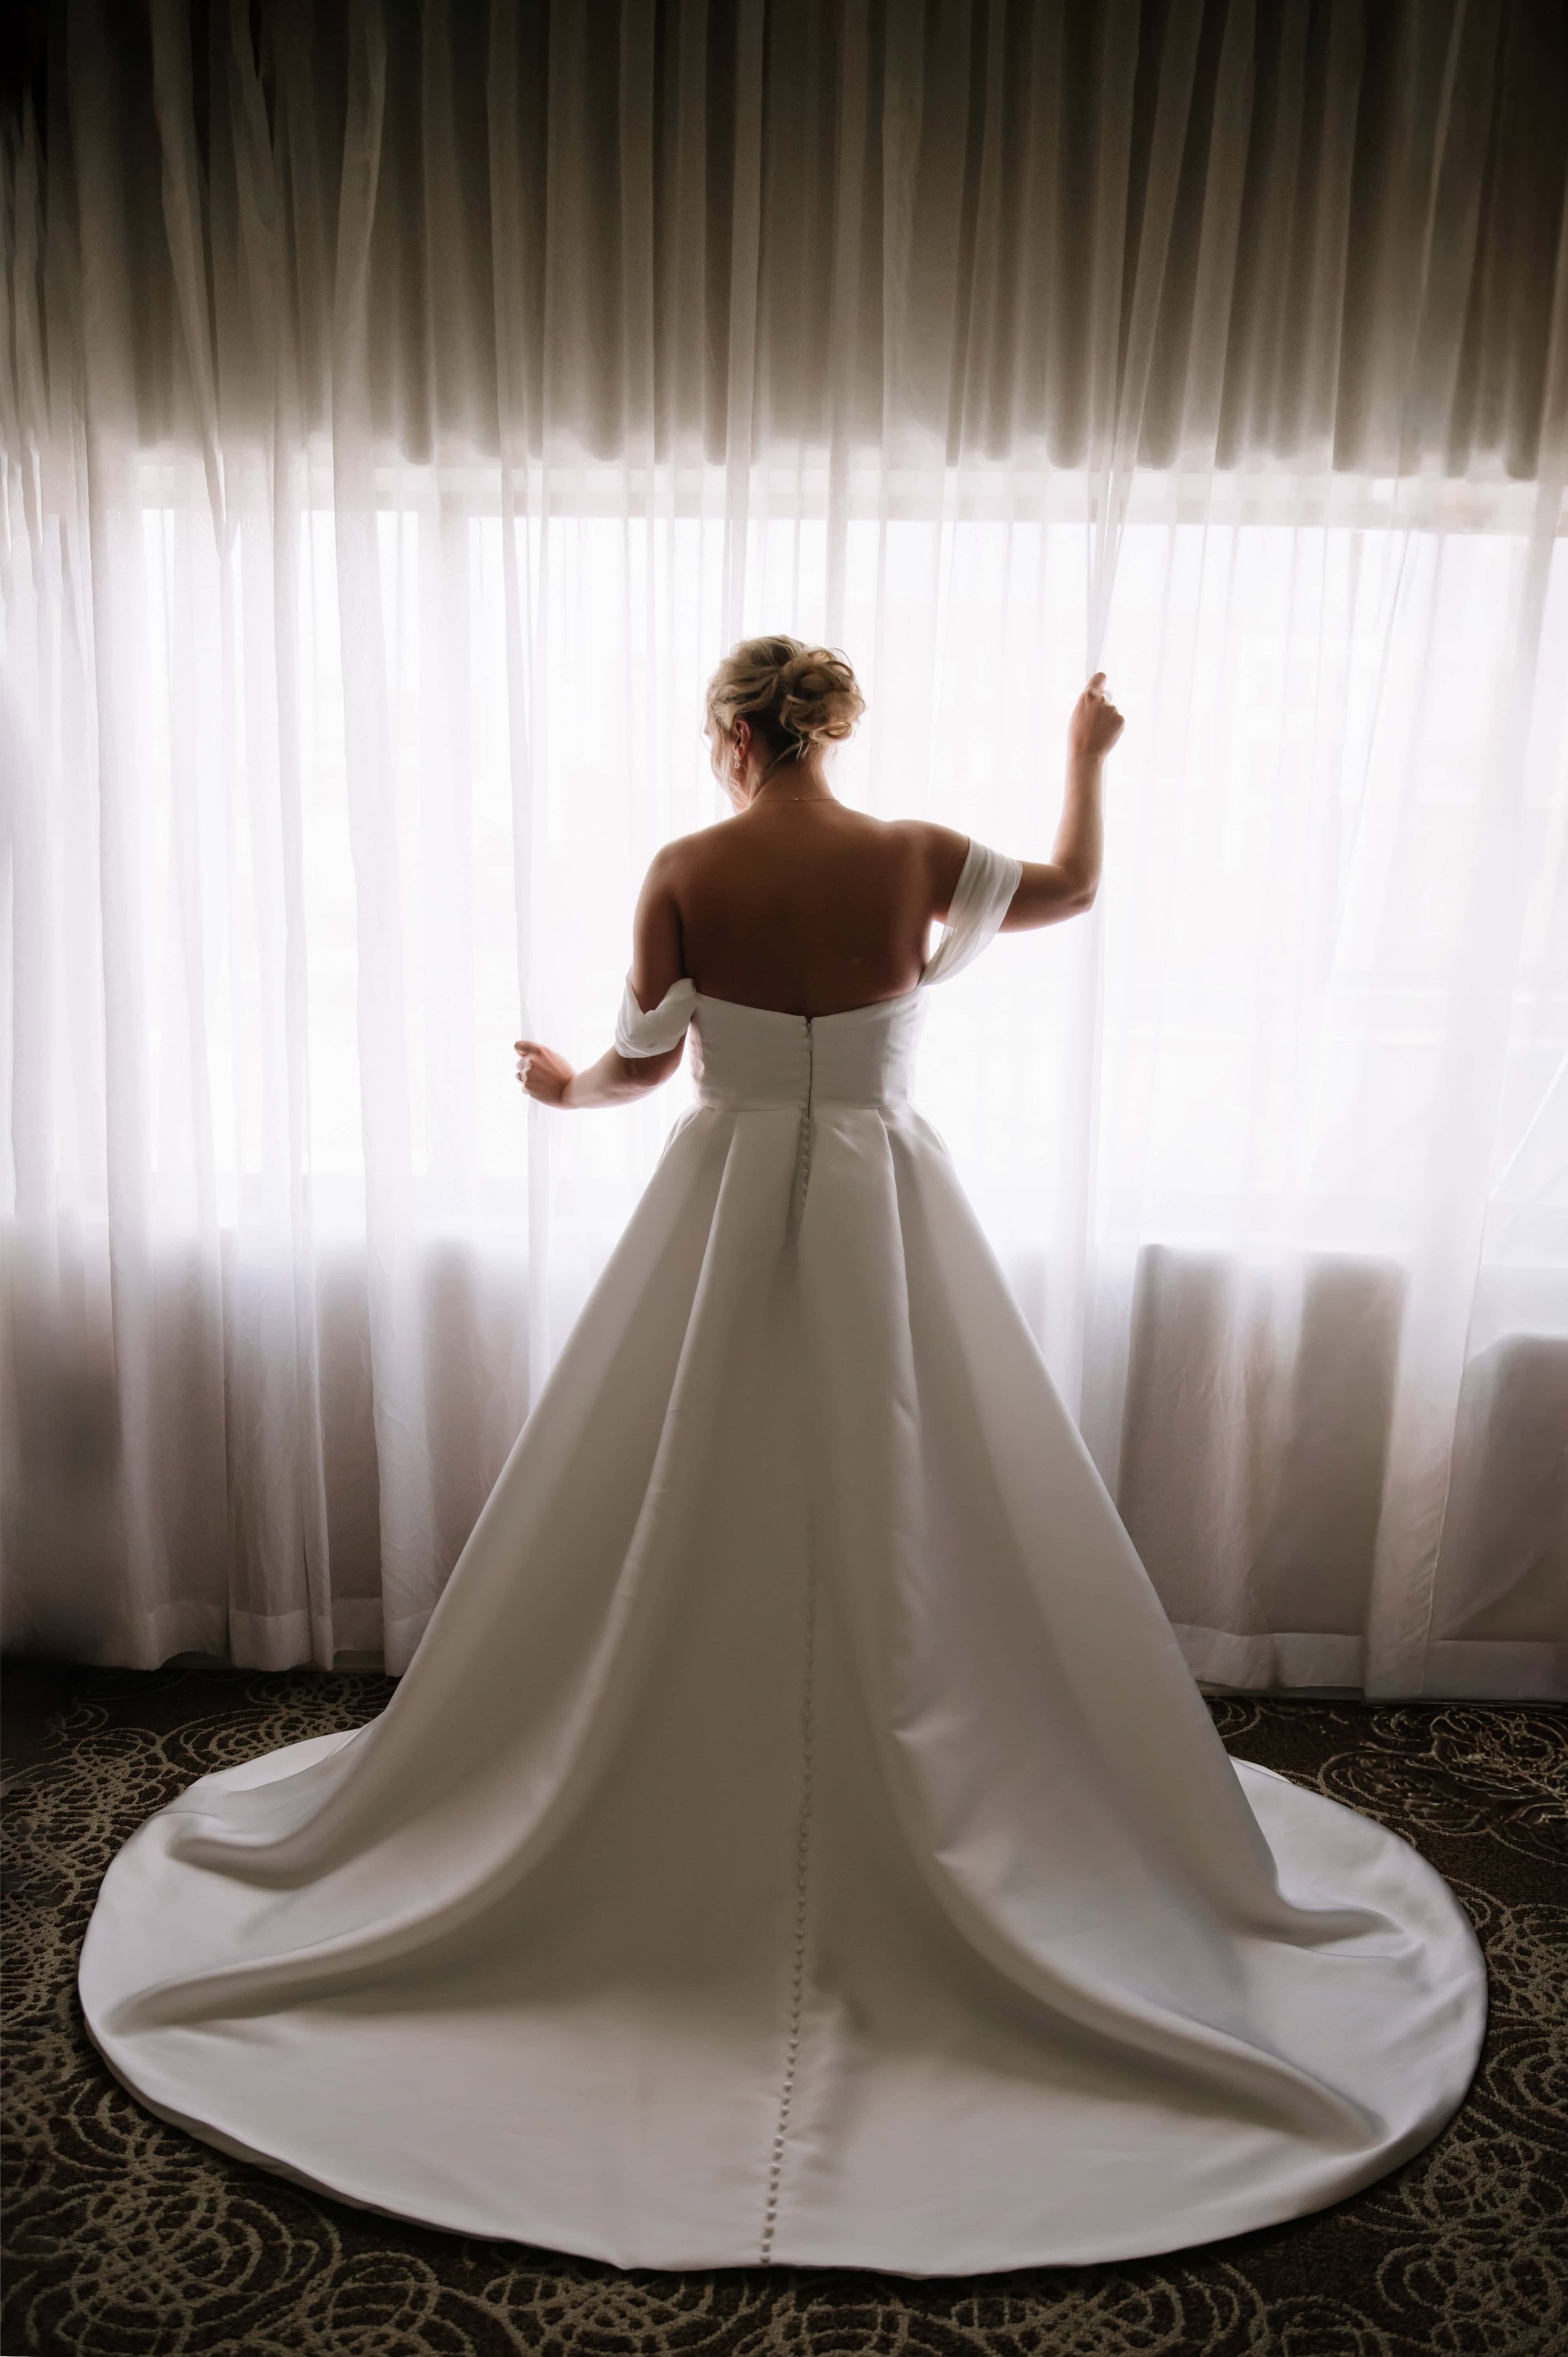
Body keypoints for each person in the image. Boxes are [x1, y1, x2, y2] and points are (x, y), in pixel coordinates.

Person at [80, 638, 1485, 2277]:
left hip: (723, 1212)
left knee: (675, 1499)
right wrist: (1085, 743)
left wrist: (553, 1085)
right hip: (889, 1215)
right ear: (828, 732)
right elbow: (1080, 887)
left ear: (727, 739)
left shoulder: (686, 868)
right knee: (926, 1505)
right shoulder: (911, 858)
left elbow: (641, 1068)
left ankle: (666, 1772)